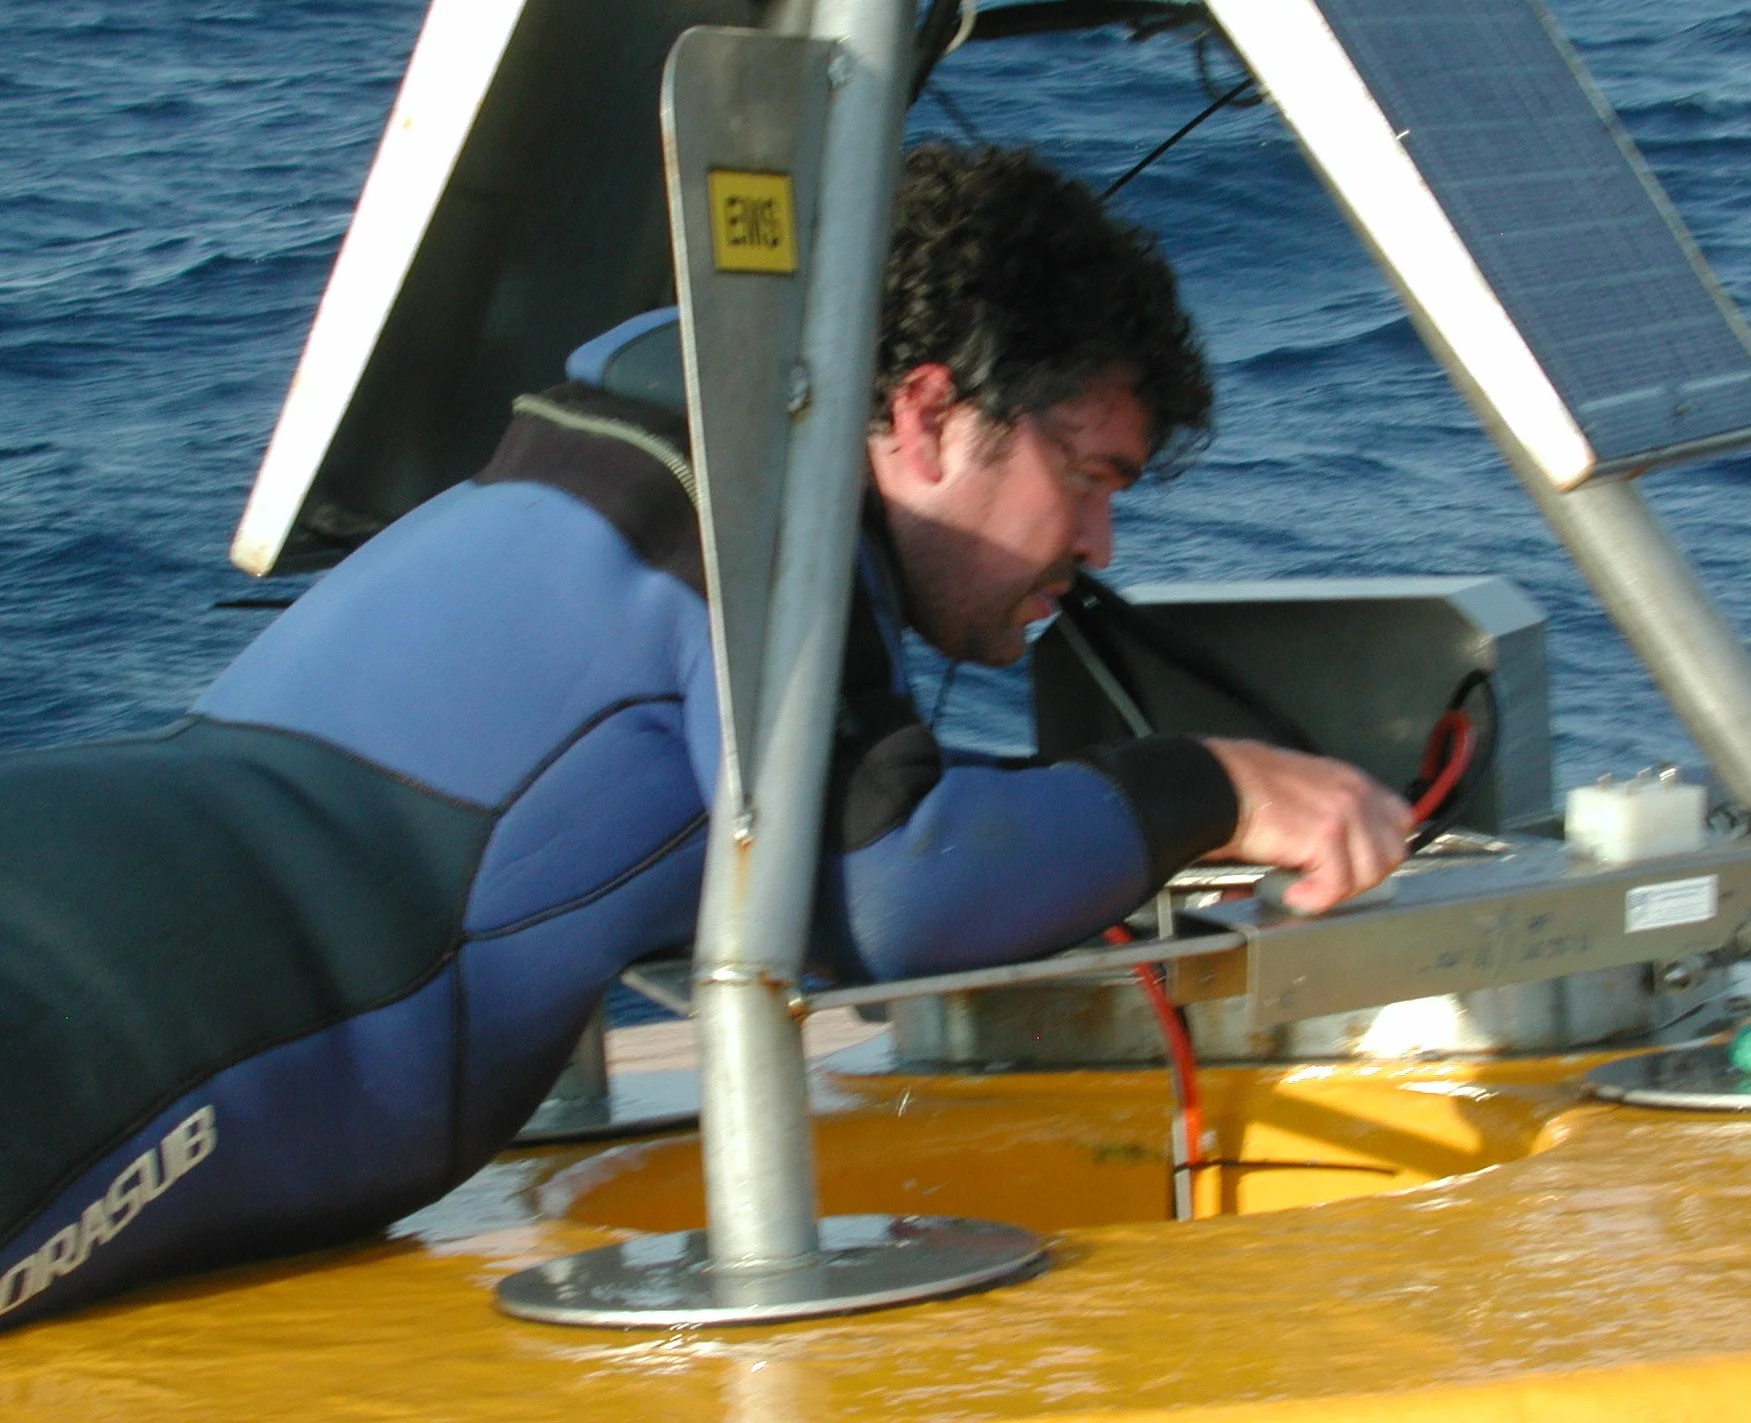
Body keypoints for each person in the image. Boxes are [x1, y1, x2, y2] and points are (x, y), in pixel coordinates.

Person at [0, 143, 1408, 1330]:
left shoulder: (626, 447)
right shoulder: (756, 519)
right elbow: (898, 887)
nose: (1098, 545)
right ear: (928, 413)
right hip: (142, 1014)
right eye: (1089, 477)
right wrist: (1216, 785)